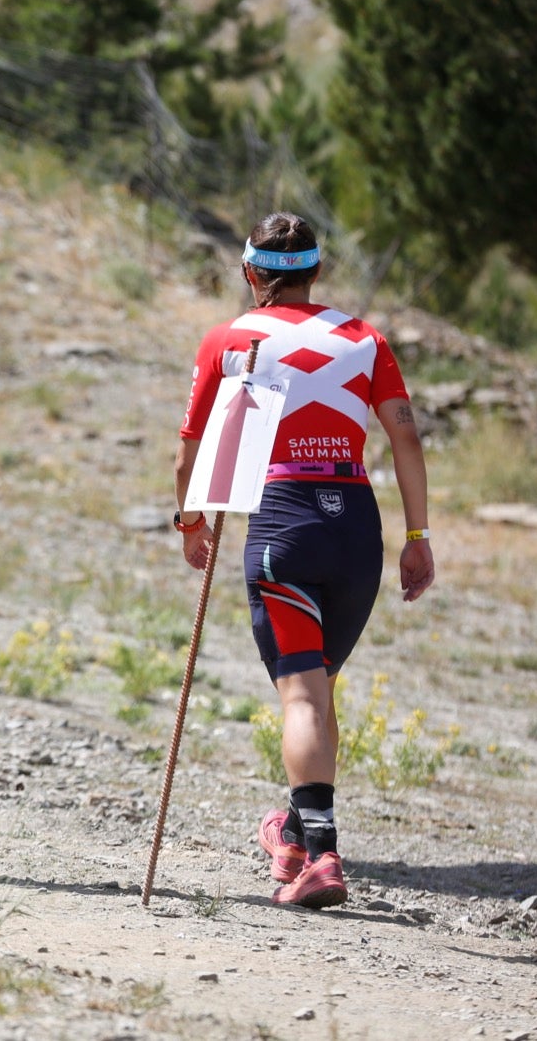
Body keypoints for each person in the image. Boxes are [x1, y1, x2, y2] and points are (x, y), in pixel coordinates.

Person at [173, 211, 435, 909]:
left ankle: (320, 854)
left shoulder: (230, 338)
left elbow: (191, 446)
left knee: (303, 697)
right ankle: (290, 833)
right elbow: (405, 441)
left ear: (251, 274)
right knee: (317, 690)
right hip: (356, 527)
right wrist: (419, 535)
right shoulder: (364, 338)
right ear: (317, 272)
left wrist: (190, 519)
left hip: (282, 521)